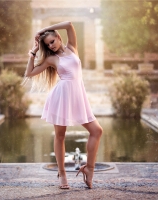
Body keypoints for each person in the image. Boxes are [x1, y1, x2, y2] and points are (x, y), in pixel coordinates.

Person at [25, 21, 103, 189]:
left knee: (97, 131)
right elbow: (29, 73)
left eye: (52, 41)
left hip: (78, 96)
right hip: (62, 97)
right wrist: (34, 51)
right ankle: (62, 174)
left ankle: (89, 169)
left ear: (59, 38)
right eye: (48, 44)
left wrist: (44, 30)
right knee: (60, 135)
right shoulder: (52, 59)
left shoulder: (72, 48)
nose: (51, 46)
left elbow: (69, 25)